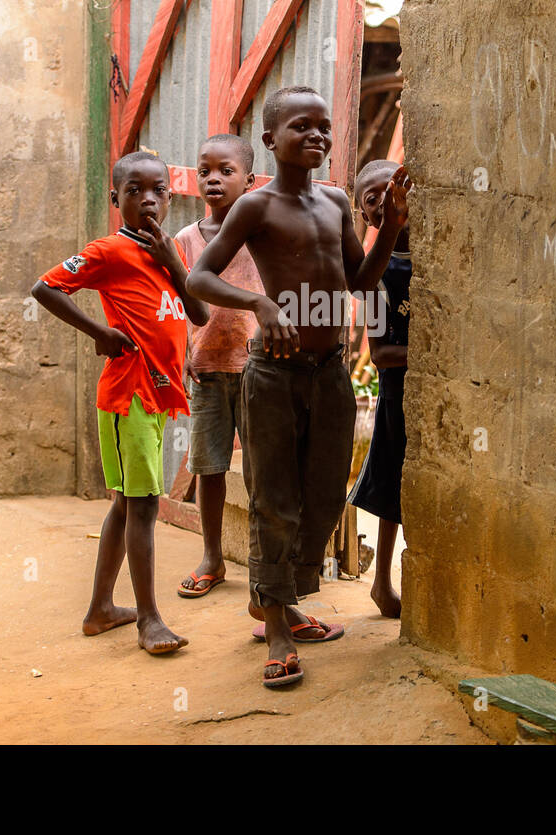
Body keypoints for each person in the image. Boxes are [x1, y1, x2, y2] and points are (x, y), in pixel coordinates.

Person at [186, 86, 410, 688]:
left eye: (324, 128)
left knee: (323, 495)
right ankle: (278, 631)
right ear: (270, 140)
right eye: (301, 127)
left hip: (329, 373)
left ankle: (279, 598)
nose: (316, 136)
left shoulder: (337, 202)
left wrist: (389, 228)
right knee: (274, 498)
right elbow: (200, 276)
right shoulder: (256, 208)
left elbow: (361, 281)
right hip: (273, 376)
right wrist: (261, 303)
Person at [31, 150, 208, 655]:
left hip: (157, 396)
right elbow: (45, 287)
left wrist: (173, 261)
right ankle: (149, 619)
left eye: (158, 190)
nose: (147, 199)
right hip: (128, 393)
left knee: (126, 503)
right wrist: (100, 332)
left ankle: (101, 610)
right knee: (144, 506)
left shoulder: (170, 249)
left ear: (170, 197)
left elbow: (196, 313)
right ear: (116, 198)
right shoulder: (109, 251)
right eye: (134, 191)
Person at [173, 133, 259, 600]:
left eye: (226, 171)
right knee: (209, 467)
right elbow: (173, 305)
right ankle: (212, 556)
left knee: (262, 470)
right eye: (205, 170)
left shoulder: (259, 237)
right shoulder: (185, 240)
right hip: (206, 370)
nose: (213, 179)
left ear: (248, 180)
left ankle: (265, 562)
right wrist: (181, 355)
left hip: (256, 371)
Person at [347, 160, 411, 619]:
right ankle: (382, 582)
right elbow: (383, 354)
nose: (384, 199)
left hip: (425, 389)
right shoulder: (375, 274)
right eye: (372, 198)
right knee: (391, 486)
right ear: (366, 216)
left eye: (391, 189)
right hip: (397, 393)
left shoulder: (438, 255)